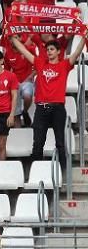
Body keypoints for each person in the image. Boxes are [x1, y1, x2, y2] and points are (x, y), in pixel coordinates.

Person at [10, 34, 85, 162]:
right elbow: (23, 50)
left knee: (60, 142)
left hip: (58, 109)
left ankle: (63, 173)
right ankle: (36, 172)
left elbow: (77, 52)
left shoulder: (64, 65)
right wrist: (11, 37)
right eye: (47, 49)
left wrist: (84, 37)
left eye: (52, 49)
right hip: (41, 108)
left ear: (58, 52)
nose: (49, 51)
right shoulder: (40, 63)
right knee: (38, 142)